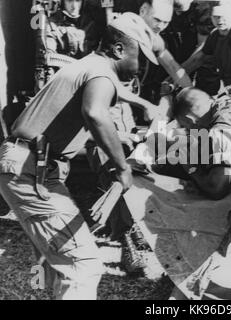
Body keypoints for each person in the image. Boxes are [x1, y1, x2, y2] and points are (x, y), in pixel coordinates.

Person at [0, 13, 159, 300]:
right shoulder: (101, 73)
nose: (141, 68)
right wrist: (123, 169)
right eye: (141, 58)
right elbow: (96, 113)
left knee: (61, 264)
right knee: (83, 264)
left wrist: (135, 107)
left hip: (30, 166)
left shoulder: (90, 66)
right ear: (119, 50)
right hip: (30, 170)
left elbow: (87, 111)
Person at [181, 0, 231, 93]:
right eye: (216, 17)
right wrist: (171, 80)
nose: (220, 20)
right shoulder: (215, 34)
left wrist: (224, 97)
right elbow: (196, 60)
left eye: (224, 17)